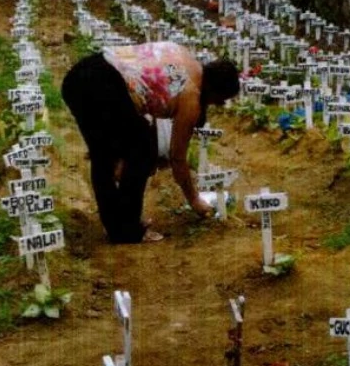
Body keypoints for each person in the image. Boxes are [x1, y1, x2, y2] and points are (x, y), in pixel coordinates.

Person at [62, 41, 240, 244]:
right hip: (104, 83)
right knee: (141, 151)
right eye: (219, 101)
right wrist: (194, 200)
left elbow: (148, 99)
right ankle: (126, 231)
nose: (215, 105)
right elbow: (177, 158)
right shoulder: (192, 97)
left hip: (81, 75)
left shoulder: (184, 57)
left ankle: (118, 227)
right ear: (215, 92)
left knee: (107, 154)